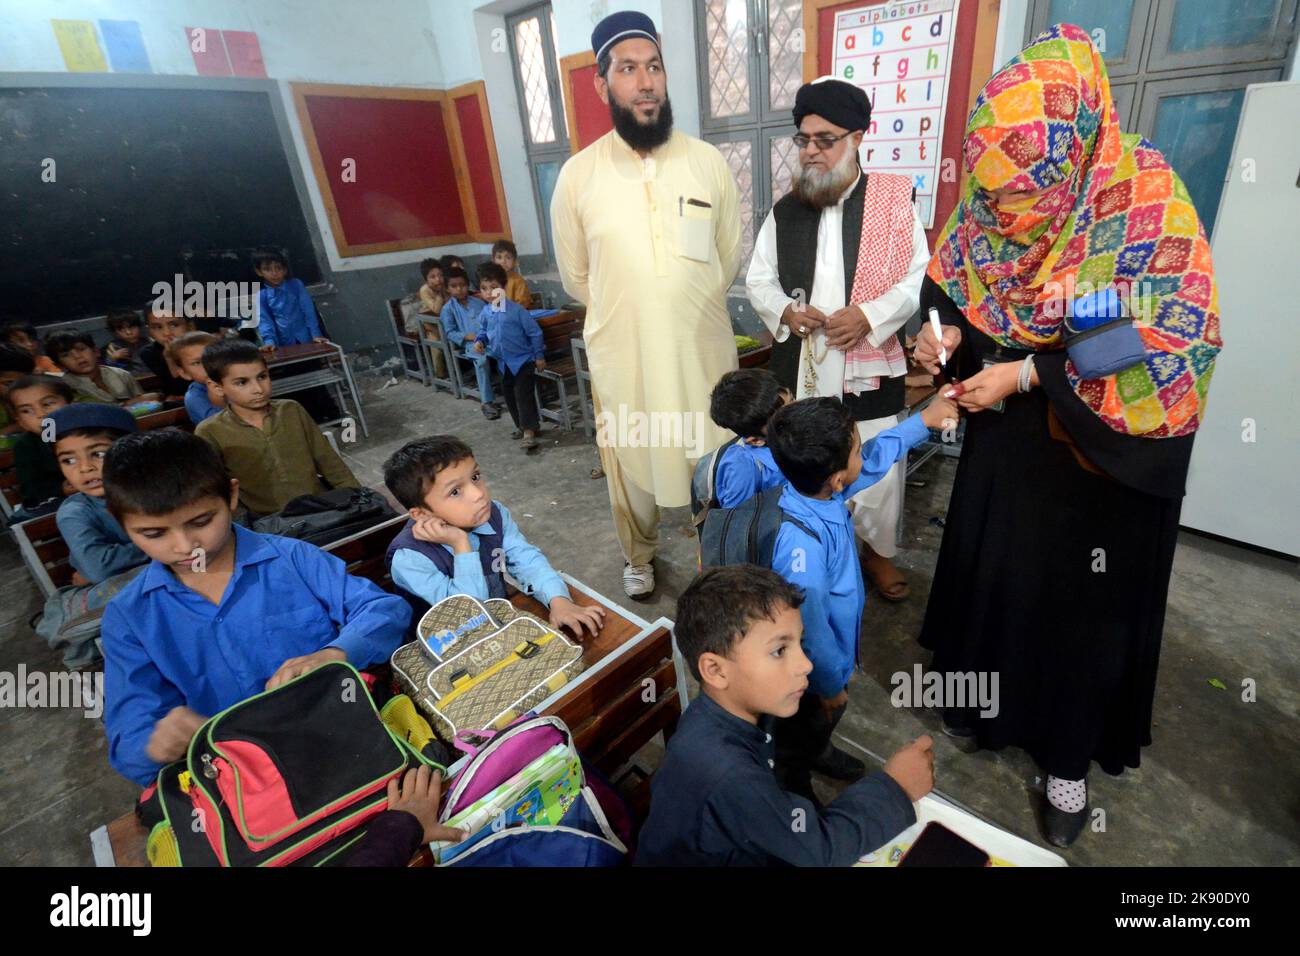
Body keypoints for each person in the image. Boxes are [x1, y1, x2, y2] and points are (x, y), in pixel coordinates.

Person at [913, 25, 1224, 848]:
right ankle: (984, 707)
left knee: (1078, 613)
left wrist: (1025, 375)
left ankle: (1065, 762)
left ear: (1080, 150)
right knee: (1001, 579)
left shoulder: (1144, 200)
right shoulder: (995, 180)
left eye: (1026, 201)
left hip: (1096, 463)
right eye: (995, 198)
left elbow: (1166, 339)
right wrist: (943, 339)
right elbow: (955, 282)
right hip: (1008, 452)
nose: (1008, 218)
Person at [551, 10, 741, 599]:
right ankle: (640, 555)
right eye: (628, 69)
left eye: (654, 66)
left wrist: (681, 308)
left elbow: (728, 256)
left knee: (714, 456)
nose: (646, 81)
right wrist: (635, 309)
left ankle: (719, 553)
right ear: (602, 84)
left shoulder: (706, 162)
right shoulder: (578, 176)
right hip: (626, 357)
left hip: (701, 353)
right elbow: (575, 275)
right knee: (631, 467)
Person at [100, 428, 411, 787]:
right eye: (154, 534)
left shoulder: (292, 559)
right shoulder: (130, 618)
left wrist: (336, 652)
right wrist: (154, 745)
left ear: (231, 495)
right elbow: (130, 737)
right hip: (243, 781)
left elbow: (385, 611)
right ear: (120, 523)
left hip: (347, 737)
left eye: (201, 522)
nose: (185, 546)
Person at [746, 78, 930, 605]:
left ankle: (878, 553)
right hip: (804, 362)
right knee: (808, 462)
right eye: (803, 139)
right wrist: (787, 310)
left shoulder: (893, 203)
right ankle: (814, 544)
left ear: (858, 138)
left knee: (876, 465)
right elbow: (759, 279)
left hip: (867, 361)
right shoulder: (787, 210)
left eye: (824, 139)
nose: (810, 151)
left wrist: (869, 317)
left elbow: (916, 276)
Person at [635, 565, 934, 866]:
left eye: (800, 643)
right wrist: (896, 788)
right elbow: (819, 851)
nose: (805, 664)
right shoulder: (729, 773)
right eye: (779, 650)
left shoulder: (717, 715)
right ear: (716, 670)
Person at [765, 395, 955, 801]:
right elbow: (809, 632)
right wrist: (832, 683)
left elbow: (874, 455)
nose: (861, 452)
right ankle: (794, 792)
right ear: (837, 478)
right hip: (811, 673)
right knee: (802, 729)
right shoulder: (803, 553)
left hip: (832, 654)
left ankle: (818, 751)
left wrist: (924, 421)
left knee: (819, 725)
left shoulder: (818, 490)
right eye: (854, 447)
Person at [382, 435, 605, 637]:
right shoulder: (409, 558)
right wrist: (461, 545)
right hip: (445, 653)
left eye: (476, 476)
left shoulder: (493, 515)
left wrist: (558, 600)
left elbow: (526, 560)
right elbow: (470, 618)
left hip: (498, 627)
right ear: (422, 514)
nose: (479, 494)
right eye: (455, 492)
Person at [195, 338, 359, 517]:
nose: (258, 388)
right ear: (217, 387)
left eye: (262, 377)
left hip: (321, 510)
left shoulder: (291, 410)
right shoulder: (210, 431)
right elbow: (220, 492)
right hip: (268, 524)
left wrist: (359, 498)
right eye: (242, 382)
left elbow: (329, 462)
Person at [49, 403, 146, 583]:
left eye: (99, 454)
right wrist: (167, 547)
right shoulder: (75, 512)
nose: (85, 468)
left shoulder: (157, 487)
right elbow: (100, 569)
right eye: (68, 460)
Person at [475, 261, 545, 452]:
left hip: (523, 361)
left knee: (524, 396)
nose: (489, 293)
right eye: (484, 288)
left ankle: (529, 432)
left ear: (503, 287)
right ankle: (521, 427)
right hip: (503, 363)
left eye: (494, 288)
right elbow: (483, 331)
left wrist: (539, 356)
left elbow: (534, 333)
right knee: (510, 398)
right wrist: (480, 342)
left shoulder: (517, 311)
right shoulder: (486, 312)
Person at [705, 369, 791, 508]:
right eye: (782, 421)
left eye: (792, 401)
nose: (797, 415)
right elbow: (737, 523)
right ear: (756, 441)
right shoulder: (742, 468)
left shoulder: (790, 437)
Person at [4, 375, 73, 519]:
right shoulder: (26, 446)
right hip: (64, 503)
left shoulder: (91, 431)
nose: (41, 415)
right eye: (26, 411)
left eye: (48, 404)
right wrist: (62, 488)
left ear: (71, 405)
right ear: (21, 422)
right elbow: (31, 489)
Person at [440, 266, 500, 419]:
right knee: (481, 361)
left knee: (505, 353)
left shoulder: (478, 302)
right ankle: (487, 402)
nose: (459, 289)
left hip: (489, 339)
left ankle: (511, 391)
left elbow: (490, 318)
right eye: (454, 286)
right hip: (470, 344)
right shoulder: (448, 309)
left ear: (468, 285)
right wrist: (468, 337)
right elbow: (450, 332)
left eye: (462, 285)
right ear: (447, 289)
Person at [44, 331, 157, 406]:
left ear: (96, 351)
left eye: (81, 349)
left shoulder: (121, 374)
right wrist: (128, 404)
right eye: (66, 355)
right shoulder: (63, 388)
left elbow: (147, 406)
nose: (77, 357)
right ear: (59, 365)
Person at [253, 250, 327, 349]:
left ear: (285, 270)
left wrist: (316, 334)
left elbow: (308, 311)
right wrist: (269, 341)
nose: (274, 273)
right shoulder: (261, 295)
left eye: (278, 268)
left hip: (308, 339)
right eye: (267, 269)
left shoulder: (296, 285)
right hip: (283, 344)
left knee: (314, 362)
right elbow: (265, 321)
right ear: (259, 272)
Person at [167, 331, 223, 424]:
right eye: (197, 363)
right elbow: (220, 427)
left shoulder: (235, 381)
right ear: (184, 373)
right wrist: (219, 403)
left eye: (214, 357)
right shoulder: (194, 398)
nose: (208, 365)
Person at [137, 307, 193, 399]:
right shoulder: (148, 353)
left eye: (174, 325)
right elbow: (179, 388)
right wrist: (169, 358)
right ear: (149, 331)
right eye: (158, 327)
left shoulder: (204, 345)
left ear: (189, 326)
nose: (167, 333)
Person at [103, 308, 152, 375]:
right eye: (122, 329)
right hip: (132, 379)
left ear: (139, 326)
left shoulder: (149, 341)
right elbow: (107, 369)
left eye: (132, 327)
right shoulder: (114, 346)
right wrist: (113, 357)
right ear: (115, 333)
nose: (128, 332)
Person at [491, 239, 532, 307]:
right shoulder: (491, 281)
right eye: (499, 257)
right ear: (493, 261)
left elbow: (522, 305)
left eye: (508, 257)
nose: (503, 261)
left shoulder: (518, 281)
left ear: (515, 261)